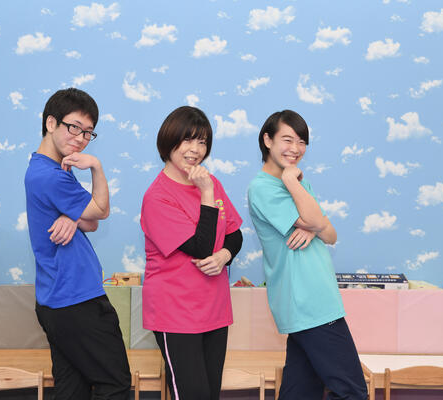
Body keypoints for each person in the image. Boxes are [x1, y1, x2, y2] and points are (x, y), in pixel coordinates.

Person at [247, 110, 367, 399]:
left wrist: (314, 227)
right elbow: (317, 221)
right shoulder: (263, 188)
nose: (296, 149)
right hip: (309, 302)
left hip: (311, 301)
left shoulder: (301, 183)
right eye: (287, 140)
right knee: (352, 392)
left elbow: (331, 234)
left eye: (301, 142)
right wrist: (292, 183)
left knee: (300, 392)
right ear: (267, 140)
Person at [25, 88, 130, 400]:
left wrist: (70, 216)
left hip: (56, 300)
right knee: (114, 384)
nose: (81, 138)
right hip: (76, 298)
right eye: (74, 127)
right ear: (51, 123)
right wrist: (96, 166)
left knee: (72, 390)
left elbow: (90, 222)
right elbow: (101, 211)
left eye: (88, 132)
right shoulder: (51, 176)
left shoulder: (46, 169)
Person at [140, 106, 243, 400]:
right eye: (187, 140)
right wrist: (206, 194)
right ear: (169, 140)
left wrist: (224, 255)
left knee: (210, 393)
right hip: (175, 312)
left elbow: (234, 234)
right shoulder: (157, 196)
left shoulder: (211, 183)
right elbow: (199, 246)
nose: (195, 149)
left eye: (202, 141)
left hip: (215, 309)